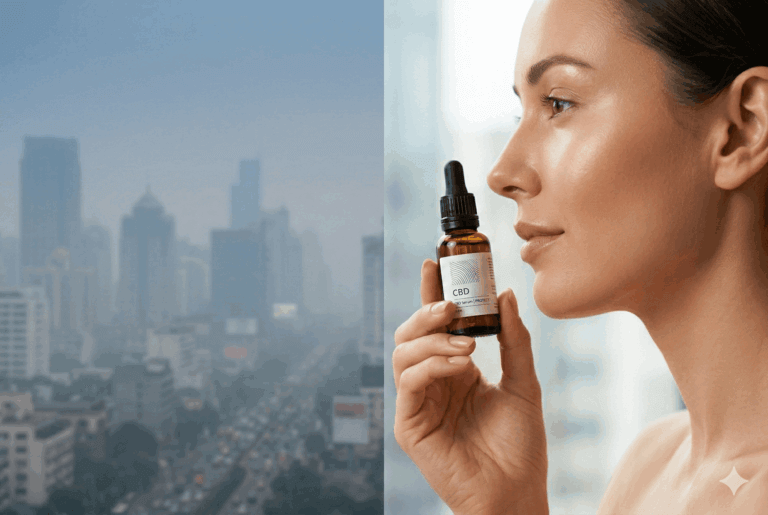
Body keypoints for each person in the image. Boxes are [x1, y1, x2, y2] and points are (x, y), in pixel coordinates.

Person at [391, 0, 768, 513]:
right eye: (520, 110)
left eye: (559, 102)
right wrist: (509, 505)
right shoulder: (648, 469)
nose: (503, 173)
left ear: (741, 129)